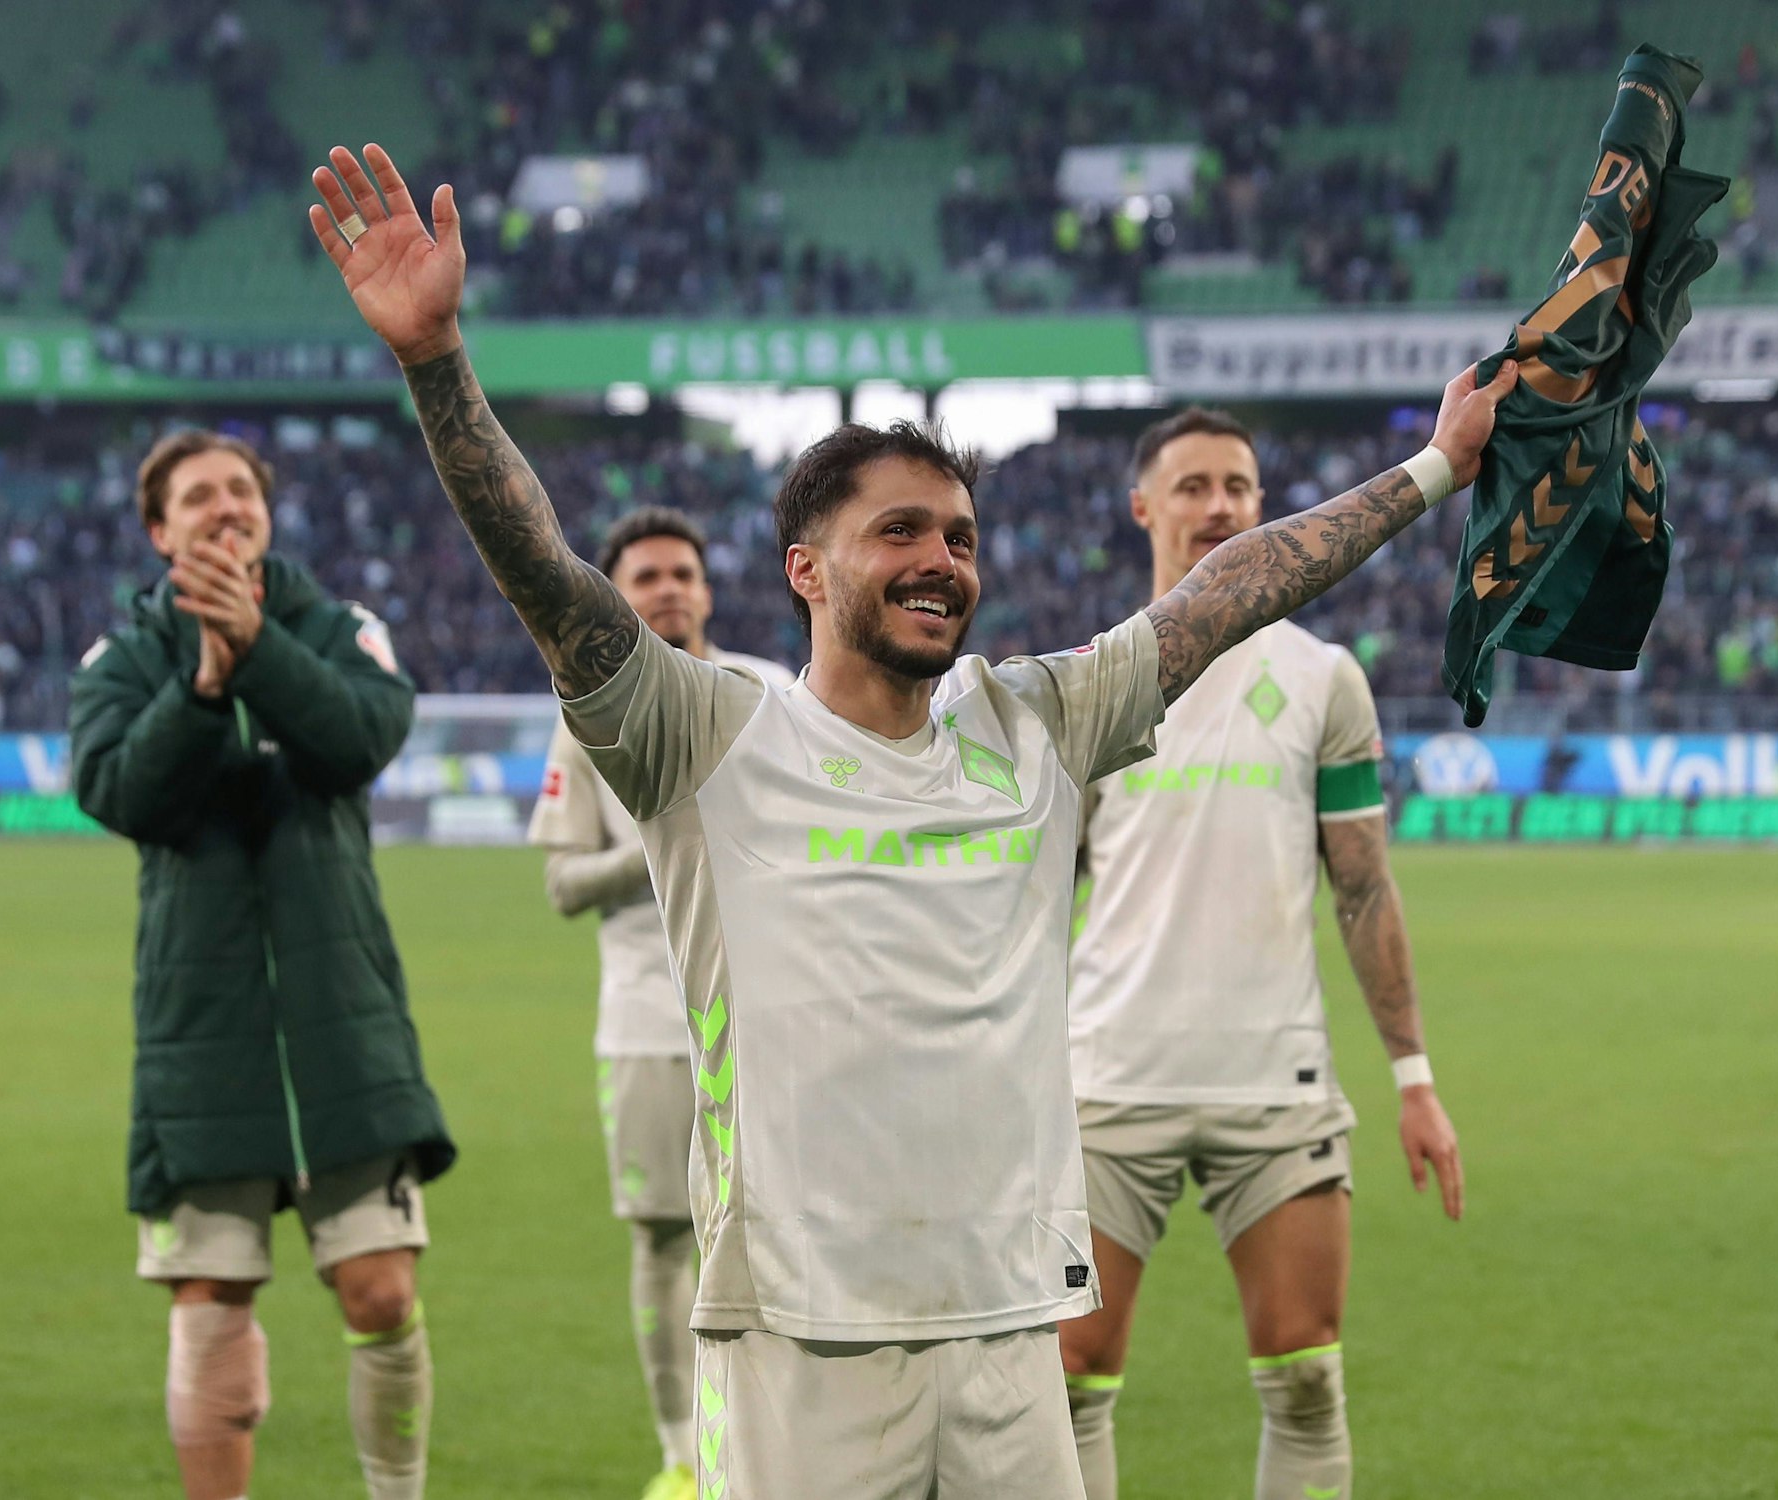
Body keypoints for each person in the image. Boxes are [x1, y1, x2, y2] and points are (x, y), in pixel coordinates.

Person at [309, 141, 1514, 1499]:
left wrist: (1430, 472)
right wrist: (435, 362)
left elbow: (1226, 590)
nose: (942, 558)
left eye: (960, 534)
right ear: (806, 568)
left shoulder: (1035, 724)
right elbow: (545, 570)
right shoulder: (705, 734)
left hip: (1009, 1334)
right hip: (797, 1340)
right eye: (900, 532)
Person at [1058, 409, 1466, 1500]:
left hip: (1274, 1089)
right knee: (1066, 1381)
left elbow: (1362, 885)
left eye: (1237, 485)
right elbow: (1033, 903)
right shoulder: (1089, 682)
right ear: (1141, 508)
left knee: (1303, 1380)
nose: (1217, 506)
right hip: (1104, 1084)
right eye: (1189, 486)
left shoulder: (1326, 677)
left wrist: (1413, 1079)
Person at [68, 429, 456, 1500]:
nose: (225, 507)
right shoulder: (121, 659)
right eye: (198, 497)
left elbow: (361, 735)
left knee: (379, 1291)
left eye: (241, 490)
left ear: (267, 512)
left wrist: (258, 650)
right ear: (159, 530)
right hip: (202, 1025)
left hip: (343, 1016)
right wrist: (203, 684)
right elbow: (117, 794)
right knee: (209, 1302)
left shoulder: (337, 628)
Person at [527, 506, 794, 1500]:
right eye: (645, 576)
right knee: (659, 1238)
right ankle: (682, 1457)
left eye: (683, 571)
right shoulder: (583, 713)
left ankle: (770, 1447)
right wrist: (671, 836)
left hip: (773, 1016)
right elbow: (560, 885)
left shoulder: (766, 693)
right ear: (614, 595)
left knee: (782, 1230)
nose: (668, 588)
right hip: (646, 1021)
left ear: (707, 590)